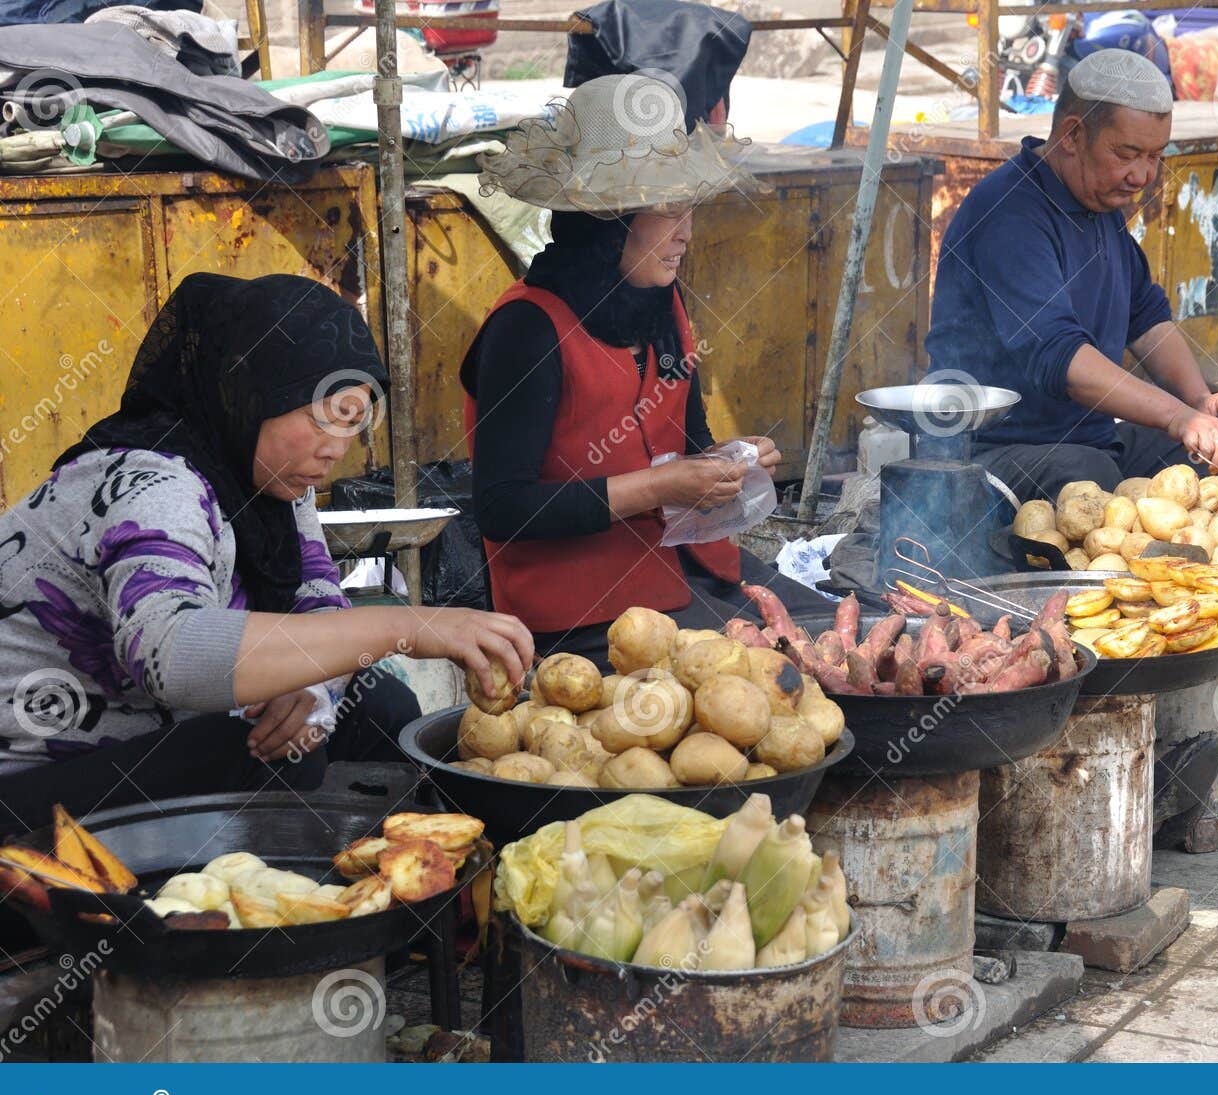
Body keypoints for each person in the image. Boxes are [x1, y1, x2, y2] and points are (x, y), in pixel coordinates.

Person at [0, 274, 534, 836]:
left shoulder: (276, 483)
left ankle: (412, 876)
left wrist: (314, 690)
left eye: (352, 423)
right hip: (34, 781)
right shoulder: (150, 481)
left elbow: (318, 595)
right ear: (250, 391)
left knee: (378, 709)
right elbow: (169, 653)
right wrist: (408, 626)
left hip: (143, 746)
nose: (334, 449)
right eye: (320, 417)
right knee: (258, 754)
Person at [468, 75, 830, 665]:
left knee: (844, 631)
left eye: (689, 208)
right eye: (667, 211)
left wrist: (730, 462)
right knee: (781, 668)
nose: (686, 232)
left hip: (690, 574)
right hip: (587, 617)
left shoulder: (662, 301)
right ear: (608, 221)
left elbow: (690, 445)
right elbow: (504, 509)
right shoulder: (527, 328)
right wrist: (660, 487)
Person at [925, 49, 1218, 501]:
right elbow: (1061, 359)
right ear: (1072, 135)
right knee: (1088, 475)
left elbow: (1147, 319)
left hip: (1092, 442)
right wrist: (1176, 416)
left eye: (1156, 156)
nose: (1143, 175)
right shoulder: (1009, 213)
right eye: (1128, 153)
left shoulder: (1099, 202)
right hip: (985, 452)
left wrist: (1199, 403)